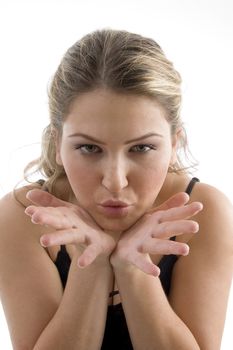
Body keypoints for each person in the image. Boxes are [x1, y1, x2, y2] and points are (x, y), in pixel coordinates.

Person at [0, 28, 232, 350]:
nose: (115, 181)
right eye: (89, 148)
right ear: (58, 144)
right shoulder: (24, 216)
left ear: (174, 143)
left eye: (141, 148)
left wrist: (134, 269)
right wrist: (90, 264)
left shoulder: (203, 212)